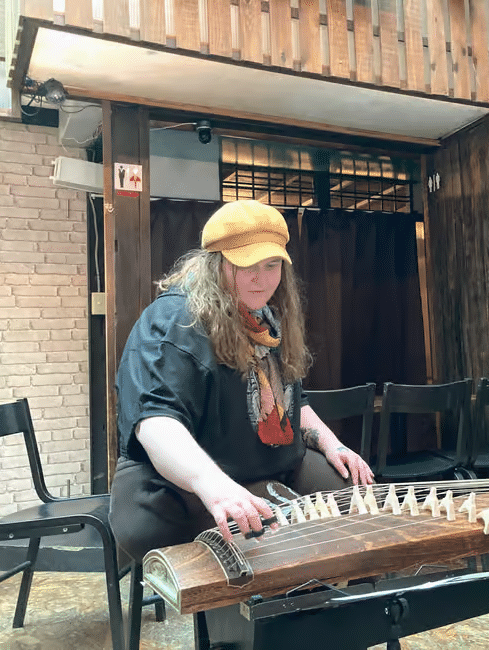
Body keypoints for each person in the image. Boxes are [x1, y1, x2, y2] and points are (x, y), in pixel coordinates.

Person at [109, 199, 374, 569]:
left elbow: (293, 400)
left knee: (354, 498)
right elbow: (156, 423)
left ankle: (344, 594)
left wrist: (333, 444)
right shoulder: (173, 321)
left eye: (271, 265)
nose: (260, 279)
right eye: (246, 265)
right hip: (176, 487)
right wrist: (215, 487)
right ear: (215, 263)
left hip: (263, 464)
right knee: (275, 538)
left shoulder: (263, 318)